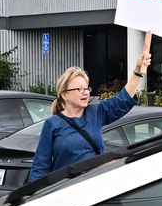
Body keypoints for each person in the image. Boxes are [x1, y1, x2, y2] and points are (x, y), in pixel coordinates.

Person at [27, 31, 153, 182]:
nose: (85, 92)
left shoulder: (96, 112)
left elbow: (122, 100)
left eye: (86, 88)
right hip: (64, 192)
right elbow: (40, 168)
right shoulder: (52, 125)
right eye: (79, 89)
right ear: (64, 94)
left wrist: (138, 71)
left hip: (93, 188)